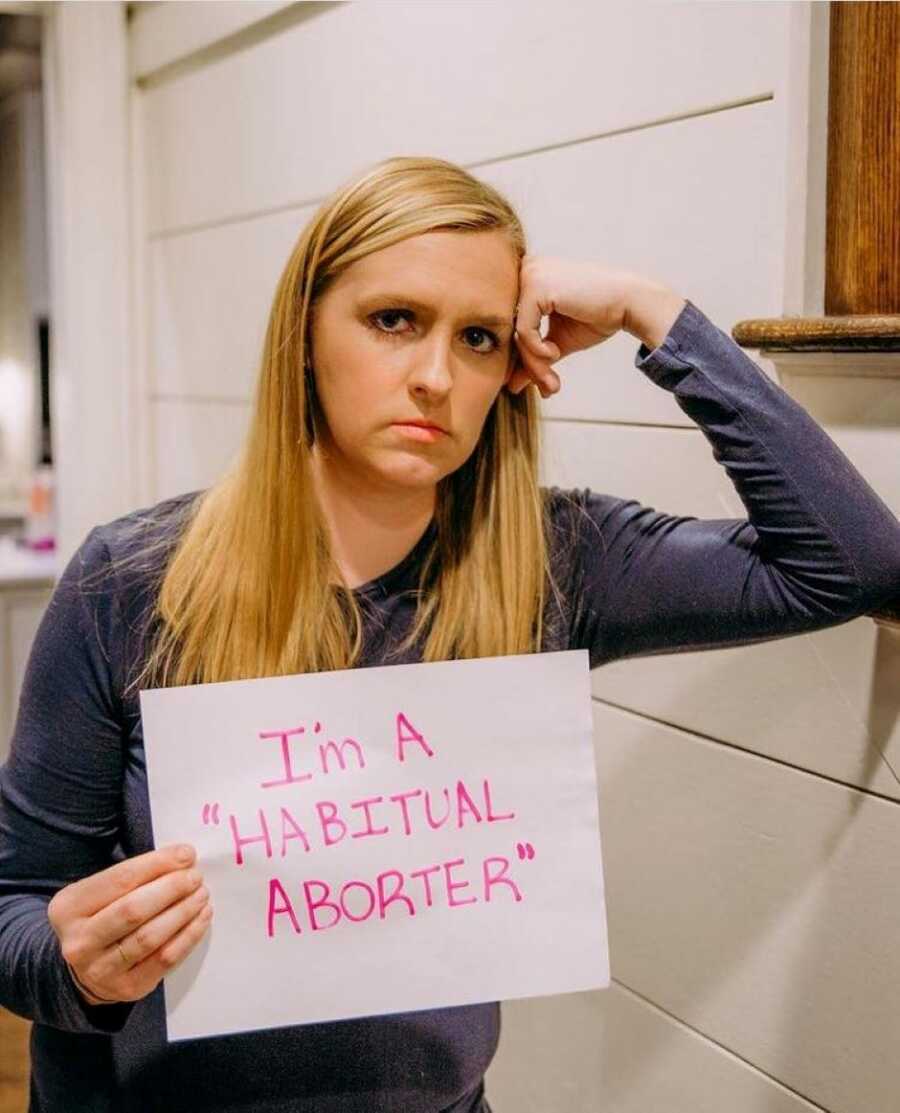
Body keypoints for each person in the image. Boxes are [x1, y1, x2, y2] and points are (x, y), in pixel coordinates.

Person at [1, 154, 899, 1113]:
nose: (435, 376)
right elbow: (15, 911)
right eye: (394, 320)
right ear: (305, 335)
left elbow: (851, 562)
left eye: (477, 337)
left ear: (512, 366)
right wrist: (79, 966)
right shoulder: (131, 580)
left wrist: (654, 312)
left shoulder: (548, 560)